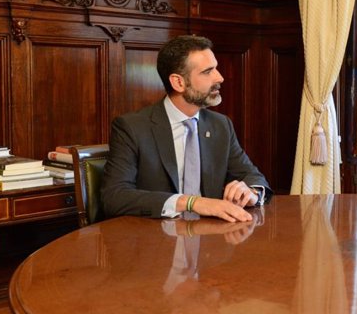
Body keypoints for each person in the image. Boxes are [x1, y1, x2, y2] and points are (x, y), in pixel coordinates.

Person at [102, 35, 271, 222]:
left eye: (216, 68)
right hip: (157, 241)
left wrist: (251, 191)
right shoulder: (132, 127)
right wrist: (191, 202)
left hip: (213, 240)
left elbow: (251, 175)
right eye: (208, 72)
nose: (220, 77)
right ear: (178, 82)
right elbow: (114, 197)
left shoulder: (220, 125)